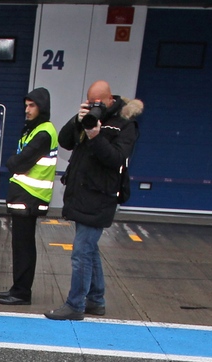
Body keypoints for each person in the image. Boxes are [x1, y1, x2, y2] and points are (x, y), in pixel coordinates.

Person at [44, 80, 142, 321]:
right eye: (90, 102)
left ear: (110, 100)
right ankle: (96, 300)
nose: (94, 106)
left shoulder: (125, 125)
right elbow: (65, 141)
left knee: (81, 252)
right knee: (89, 250)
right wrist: (77, 120)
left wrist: (96, 136)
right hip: (81, 194)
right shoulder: (86, 120)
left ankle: (75, 304)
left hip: (100, 197)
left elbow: (116, 158)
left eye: (98, 103)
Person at [0, 87, 57, 306]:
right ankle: (18, 288)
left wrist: (13, 162)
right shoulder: (34, 130)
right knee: (21, 246)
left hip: (31, 197)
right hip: (25, 196)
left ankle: (22, 292)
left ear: (42, 107)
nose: (27, 110)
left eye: (32, 106)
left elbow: (19, 162)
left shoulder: (43, 132)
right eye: (26, 106)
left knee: (23, 247)